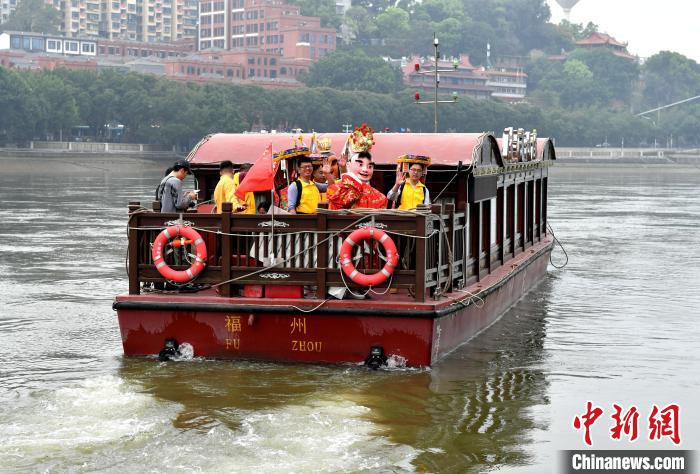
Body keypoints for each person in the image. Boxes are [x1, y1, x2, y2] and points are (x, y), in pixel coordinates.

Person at [327, 124, 387, 210]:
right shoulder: (339, 189)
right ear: (348, 165)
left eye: (370, 166)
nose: (365, 170)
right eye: (360, 164)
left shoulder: (380, 197)